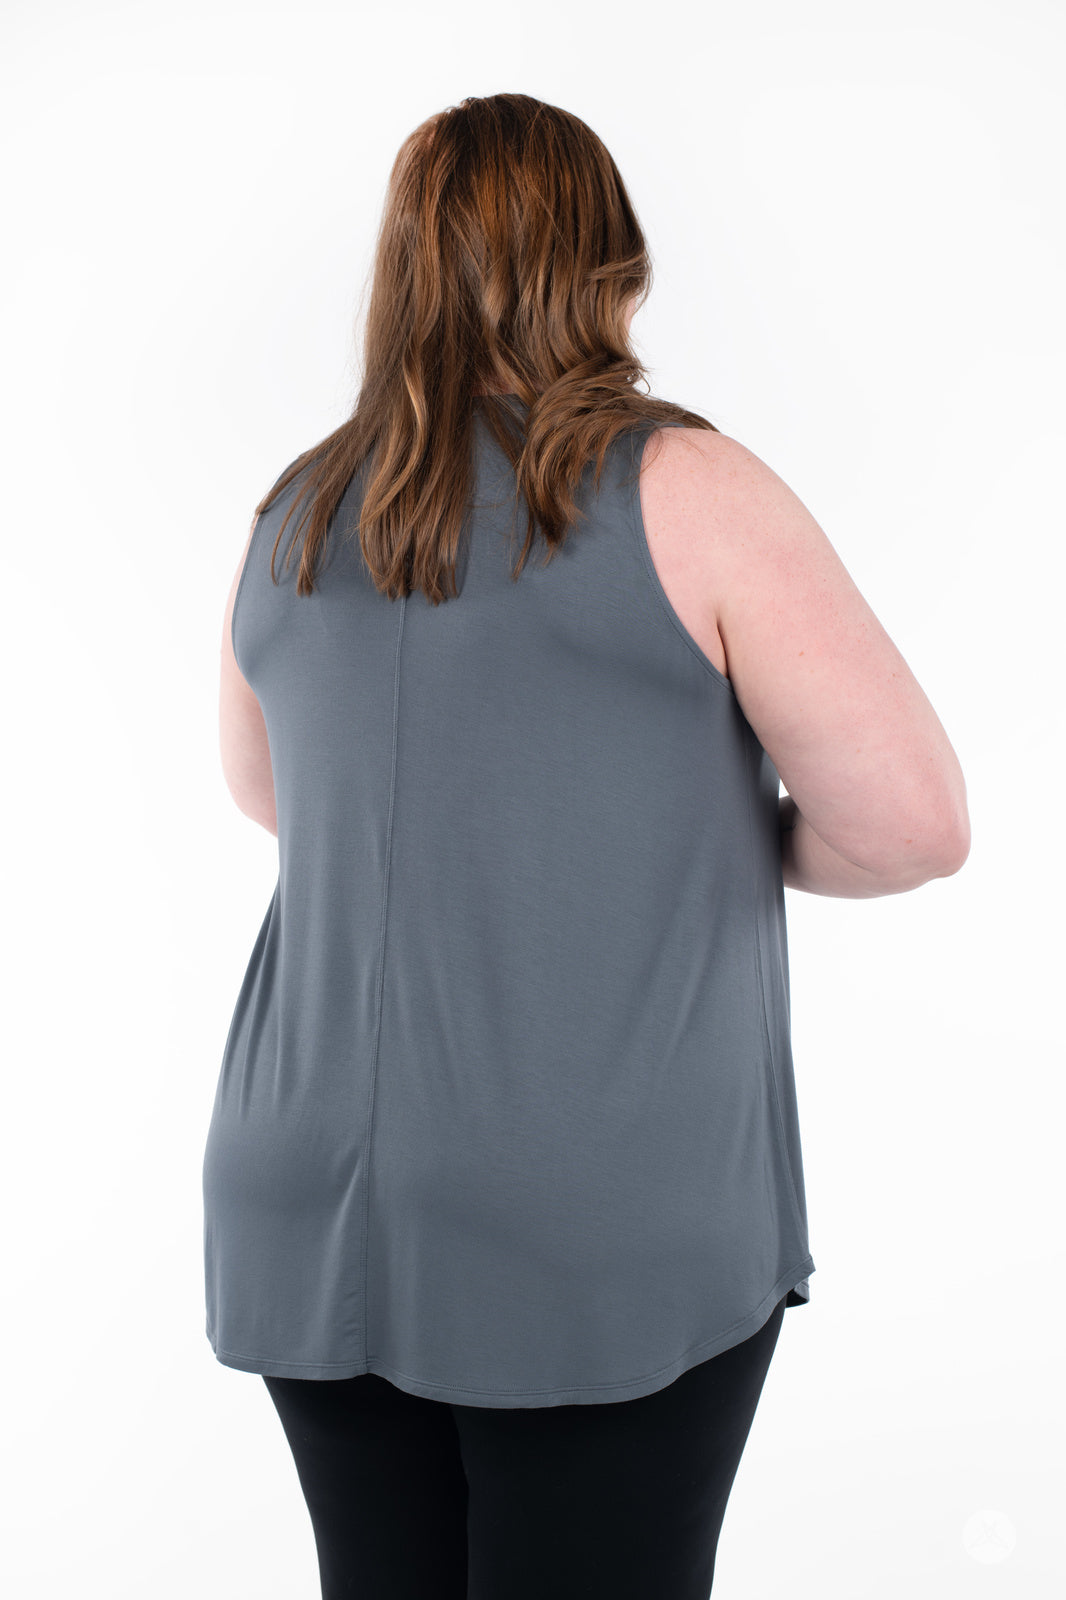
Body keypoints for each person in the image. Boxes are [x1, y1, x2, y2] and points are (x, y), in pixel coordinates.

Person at [205, 93, 970, 1600]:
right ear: (611, 257)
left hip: (302, 1186)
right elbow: (909, 827)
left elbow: (276, 797)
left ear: (403, 264)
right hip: (590, 1205)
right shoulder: (689, 488)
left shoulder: (294, 510)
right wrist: (697, 837)